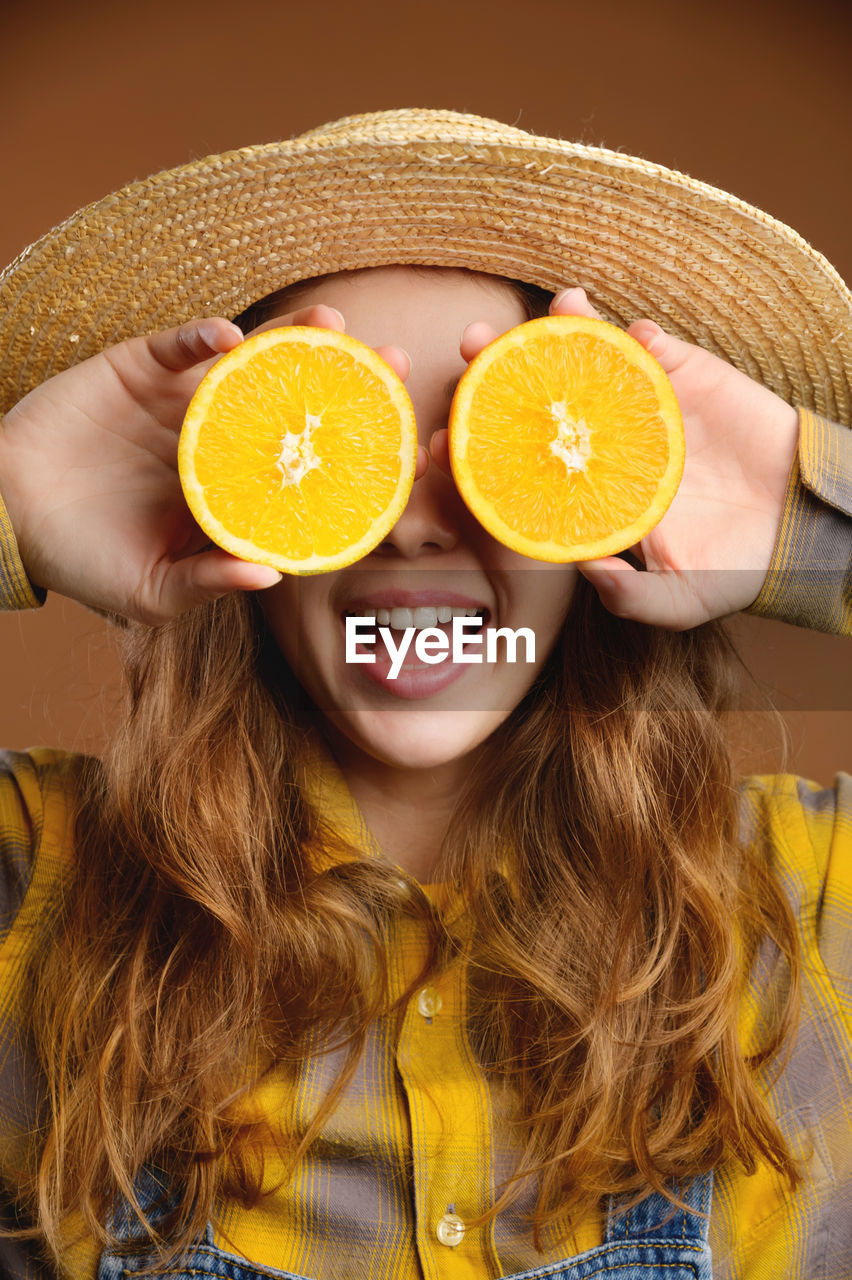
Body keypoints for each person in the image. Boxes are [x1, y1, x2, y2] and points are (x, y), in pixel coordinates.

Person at [0, 109, 849, 1280]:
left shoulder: (811, 902)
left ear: (598, 491)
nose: (410, 521)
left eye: (490, 444)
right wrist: (17, 499)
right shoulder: (36, 881)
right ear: (230, 490)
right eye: (342, 446)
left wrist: (804, 518)